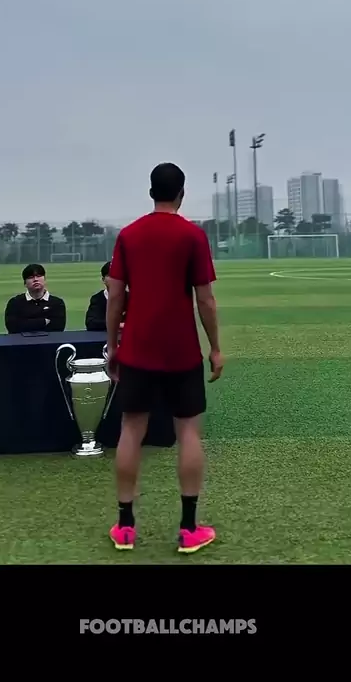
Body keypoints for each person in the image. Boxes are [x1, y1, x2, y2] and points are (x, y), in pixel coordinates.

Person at [106, 162, 224, 554]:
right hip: (181, 351)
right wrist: (215, 348)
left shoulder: (129, 235)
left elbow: (116, 295)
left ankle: (125, 527)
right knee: (188, 432)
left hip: (137, 348)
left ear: (151, 192)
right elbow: (205, 299)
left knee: (131, 430)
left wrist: (112, 346)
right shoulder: (192, 235)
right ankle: (189, 529)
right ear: (182, 193)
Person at [4, 263, 66, 334]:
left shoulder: (57, 303)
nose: (35, 279)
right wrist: (44, 321)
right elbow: (13, 328)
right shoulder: (14, 303)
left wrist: (25, 323)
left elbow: (58, 329)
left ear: (44, 279)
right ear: (25, 283)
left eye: (39, 276)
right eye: (31, 277)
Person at [85, 261, 128, 332]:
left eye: (118, 276)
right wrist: (117, 325)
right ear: (103, 280)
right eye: (110, 276)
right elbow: (91, 323)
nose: (114, 280)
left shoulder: (131, 299)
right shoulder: (97, 299)